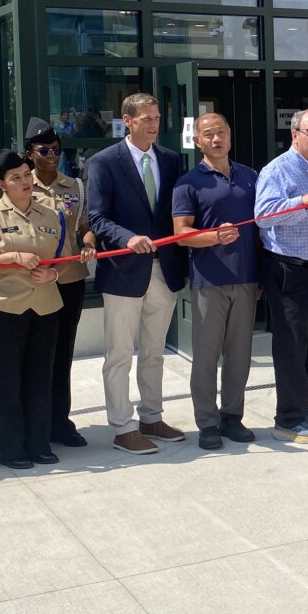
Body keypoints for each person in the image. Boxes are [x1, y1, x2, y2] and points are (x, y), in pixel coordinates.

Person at [86, 92, 189, 453]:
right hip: (124, 272)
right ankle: (122, 425)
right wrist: (127, 238)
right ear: (127, 121)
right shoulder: (103, 162)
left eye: (157, 118)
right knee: (118, 355)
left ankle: (151, 416)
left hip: (165, 270)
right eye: (146, 119)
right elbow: (96, 217)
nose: (154, 125)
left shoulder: (172, 160)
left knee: (154, 353)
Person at [0, 150, 66, 469]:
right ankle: (12, 448)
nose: (24, 182)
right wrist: (10, 258)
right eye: (16, 178)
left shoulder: (50, 213)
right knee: (9, 380)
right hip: (8, 308)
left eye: (27, 175)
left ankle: (38, 444)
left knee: (41, 378)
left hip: (46, 306)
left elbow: (62, 259)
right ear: (1, 184)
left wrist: (53, 273)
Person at [172, 112, 260, 451]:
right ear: (197, 141)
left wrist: (262, 274)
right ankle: (207, 422)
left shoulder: (250, 176)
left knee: (240, 354)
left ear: (230, 135)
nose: (216, 139)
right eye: (208, 134)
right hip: (209, 280)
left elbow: (259, 232)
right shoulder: (188, 182)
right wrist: (212, 237)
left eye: (221, 132)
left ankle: (232, 417)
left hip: (247, 277)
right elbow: (180, 235)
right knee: (206, 357)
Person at [255, 108, 308, 445]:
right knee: (290, 346)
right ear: (294, 134)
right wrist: (302, 201)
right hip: (288, 270)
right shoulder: (277, 170)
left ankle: (301, 408)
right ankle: (287, 419)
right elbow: (263, 216)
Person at [25, 117, 98, 447]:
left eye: (56, 149)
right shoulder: (22, 186)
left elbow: (85, 225)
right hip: (36, 282)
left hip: (69, 280)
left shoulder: (75, 187)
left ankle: (59, 421)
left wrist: (89, 241)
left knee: (62, 352)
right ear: (30, 153)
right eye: (44, 150)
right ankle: (34, 421)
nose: (52, 155)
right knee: (37, 353)